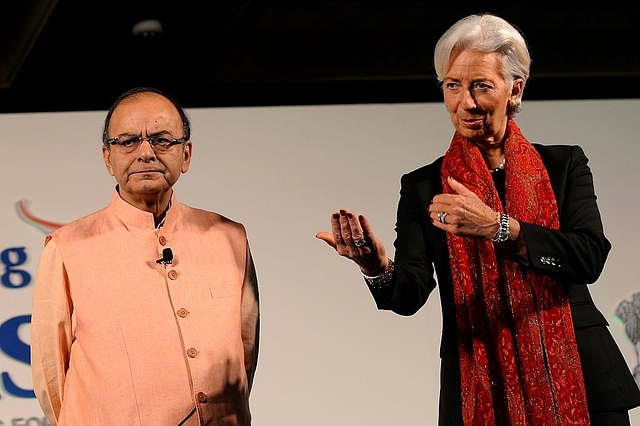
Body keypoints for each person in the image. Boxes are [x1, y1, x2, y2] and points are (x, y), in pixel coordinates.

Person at [316, 13, 640, 426]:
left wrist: (499, 227)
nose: (464, 102)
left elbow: (589, 257)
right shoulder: (424, 185)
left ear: (514, 90)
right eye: (453, 85)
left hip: (582, 380)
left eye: (481, 86)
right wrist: (375, 267)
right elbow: (409, 294)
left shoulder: (564, 164)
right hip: (481, 384)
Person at [30, 87, 260, 425]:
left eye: (162, 140)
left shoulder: (229, 237)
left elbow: (244, 357)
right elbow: (50, 377)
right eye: (127, 142)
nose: (146, 153)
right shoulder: (67, 247)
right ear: (108, 158)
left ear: (187, 154)